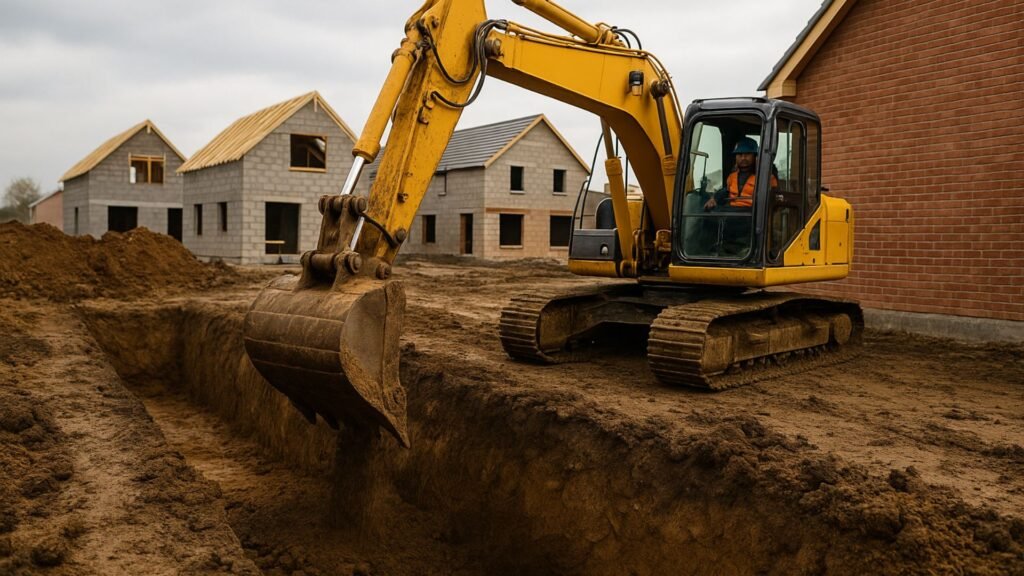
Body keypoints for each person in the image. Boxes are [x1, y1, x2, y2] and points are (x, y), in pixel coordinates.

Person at [703, 137, 777, 211]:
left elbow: (773, 200)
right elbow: (727, 191)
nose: (743, 158)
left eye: (747, 154)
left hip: (753, 214)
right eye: (740, 154)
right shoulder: (732, 177)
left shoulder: (766, 177)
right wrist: (714, 199)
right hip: (732, 213)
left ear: (755, 156)